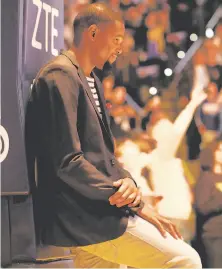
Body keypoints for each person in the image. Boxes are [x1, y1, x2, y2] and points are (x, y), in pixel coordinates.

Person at [25, 3, 202, 268]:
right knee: (185, 259)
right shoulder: (59, 76)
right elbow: (67, 162)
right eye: (116, 39)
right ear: (93, 33)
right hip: (83, 218)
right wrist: (130, 199)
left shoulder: (91, 80)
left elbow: (104, 157)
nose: (121, 48)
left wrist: (129, 183)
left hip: (94, 211)